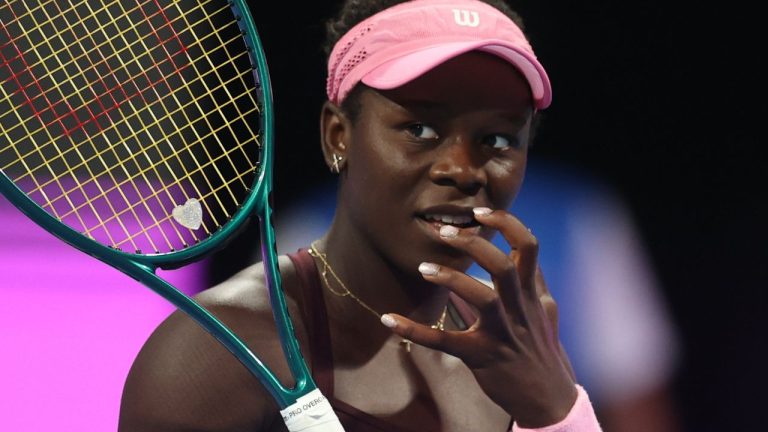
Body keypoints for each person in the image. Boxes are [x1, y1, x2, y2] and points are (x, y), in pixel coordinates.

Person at [119, 1, 603, 430]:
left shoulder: (519, 360)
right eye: (420, 127)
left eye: (497, 139)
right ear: (337, 135)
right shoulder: (214, 355)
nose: (462, 169)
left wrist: (556, 413)